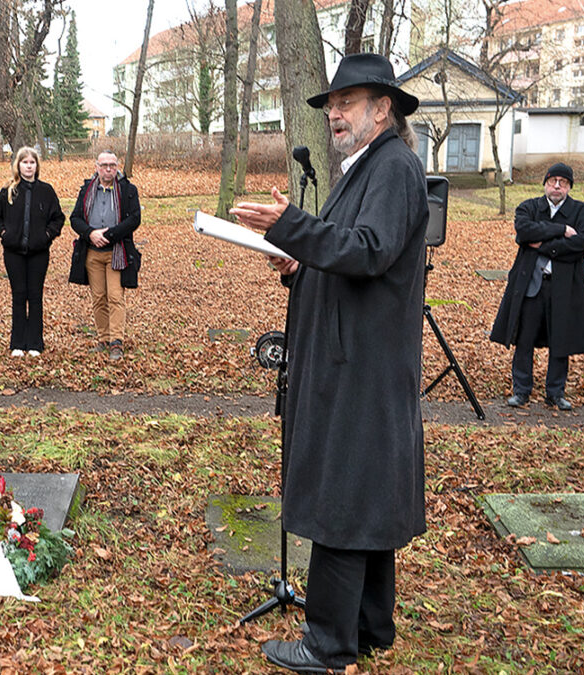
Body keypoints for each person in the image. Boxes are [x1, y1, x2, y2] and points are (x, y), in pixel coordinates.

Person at [229, 53, 427, 673]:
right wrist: (300, 262)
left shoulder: (392, 166)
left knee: (345, 496)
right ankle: (369, 627)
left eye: (347, 102)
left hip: (361, 366)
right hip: (352, 357)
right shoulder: (363, 167)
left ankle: (327, 645)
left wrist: (292, 227)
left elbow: (370, 252)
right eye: (331, 105)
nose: (335, 113)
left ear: (383, 108)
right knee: (364, 495)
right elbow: (349, 256)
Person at [490, 163, 584, 411]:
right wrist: (561, 230)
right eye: (553, 181)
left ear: (570, 186)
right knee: (524, 339)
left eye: (563, 182)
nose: (557, 186)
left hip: (563, 286)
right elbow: (524, 231)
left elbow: (580, 244)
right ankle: (521, 390)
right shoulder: (529, 207)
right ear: (545, 184)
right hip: (531, 285)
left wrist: (542, 245)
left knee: (561, 339)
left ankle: (555, 392)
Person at [0, 146, 65, 357]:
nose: (28, 166)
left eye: (32, 162)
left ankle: (35, 343)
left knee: (35, 295)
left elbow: (58, 218)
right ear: (18, 165)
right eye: (25, 162)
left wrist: (48, 235)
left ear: (36, 166)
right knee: (19, 295)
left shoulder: (46, 191)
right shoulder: (9, 191)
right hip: (13, 252)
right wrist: (5, 234)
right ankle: (17, 343)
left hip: (38, 252)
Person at [68, 150, 141, 361]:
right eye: (104, 165)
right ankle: (103, 338)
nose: (108, 169)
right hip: (92, 253)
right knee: (99, 297)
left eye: (112, 165)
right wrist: (90, 233)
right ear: (96, 167)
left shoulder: (127, 190)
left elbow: (134, 219)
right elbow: (75, 218)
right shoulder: (87, 190)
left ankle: (116, 341)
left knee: (116, 297)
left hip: (117, 253)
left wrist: (108, 235)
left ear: (117, 167)